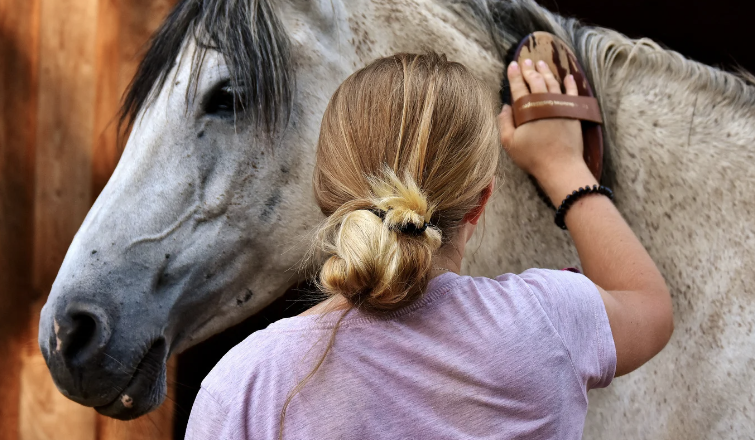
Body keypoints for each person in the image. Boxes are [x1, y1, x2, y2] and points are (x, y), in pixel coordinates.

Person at [185, 52, 673, 439]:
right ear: (481, 202)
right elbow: (648, 306)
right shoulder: (548, 322)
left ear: (325, 196)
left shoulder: (245, 387)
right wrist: (562, 165)